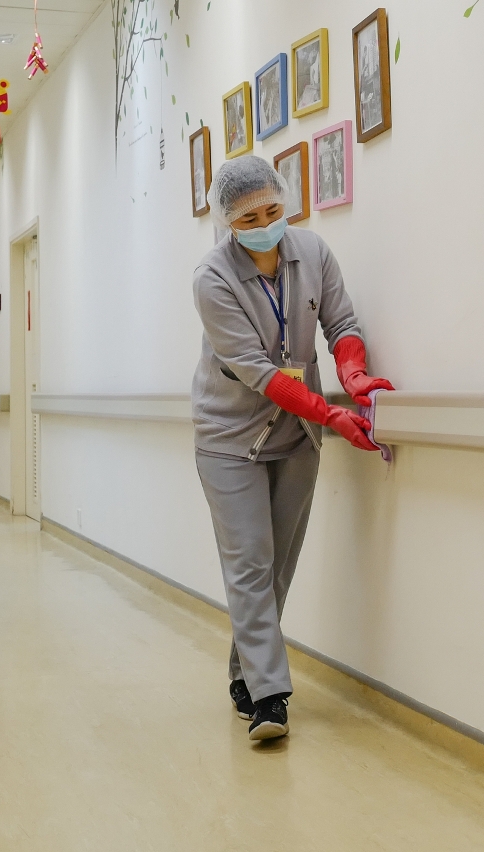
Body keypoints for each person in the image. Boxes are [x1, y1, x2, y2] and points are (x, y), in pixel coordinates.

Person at [191, 156, 394, 741]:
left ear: (285, 200)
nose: (265, 224)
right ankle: (270, 697)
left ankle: (246, 673)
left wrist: (353, 377)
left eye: (272, 210)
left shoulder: (313, 253)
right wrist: (331, 413)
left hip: (296, 435)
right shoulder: (212, 279)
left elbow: (342, 324)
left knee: (277, 566)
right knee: (250, 562)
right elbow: (259, 372)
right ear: (227, 221)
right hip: (230, 437)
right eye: (248, 218)